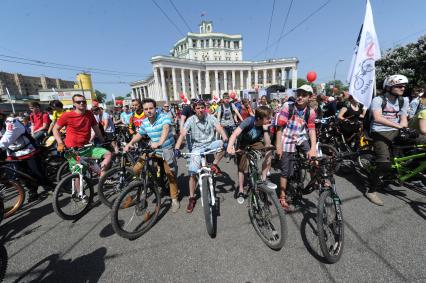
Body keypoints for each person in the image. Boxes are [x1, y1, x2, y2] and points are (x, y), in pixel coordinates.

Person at [124, 98, 180, 212]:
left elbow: (166, 129)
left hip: (165, 149)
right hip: (152, 149)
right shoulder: (145, 122)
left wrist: (160, 142)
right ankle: (144, 185)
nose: (149, 111)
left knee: (171, 176)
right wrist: (130, 144)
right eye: (146, 109)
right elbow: (139, 134)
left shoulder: (164, 117)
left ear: (156, 108)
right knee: (136, 168)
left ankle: (174, 199)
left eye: (151, 108)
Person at [174, 100, 228, 213]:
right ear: (194, 109)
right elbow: (183, 133)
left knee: (225, 145)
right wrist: (177, 148)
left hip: (210, 145)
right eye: (197, 108)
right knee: (192, 173)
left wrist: (225, 139)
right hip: (197, 148)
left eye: (202, 107)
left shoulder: (210, 117)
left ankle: (215, 164)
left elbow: (219, 128)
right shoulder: (191, 120)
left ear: (205, 108)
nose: (200, 110)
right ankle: (192, 198)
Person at [367, 74, 410, 206]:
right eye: (399, 85)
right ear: (389, 87)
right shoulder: (378, 100)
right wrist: (399, 127)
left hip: (395, 129)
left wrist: (405, 128)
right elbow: (378, 118)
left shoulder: (404, 100)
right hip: (379, 131)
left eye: (404, 86)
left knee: (421, 142)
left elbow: (403, 117)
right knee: (384, 163)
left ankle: (398, 174)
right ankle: (371, 190)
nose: (403, 88)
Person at [275, 85, 317, 211]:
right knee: (285, 170)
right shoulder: (288, 107)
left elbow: (311, 130)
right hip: (287, 138)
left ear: (309, 97)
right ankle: (282, 196)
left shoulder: (311, 112)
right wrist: (278, 146)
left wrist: (313, 148)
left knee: (314, 159)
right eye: (298, 94)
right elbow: (279, 127)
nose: (299, 97)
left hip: (300, 137)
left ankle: (315, 182)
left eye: (303, 95)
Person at [52, 94, 112, 177]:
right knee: (77, 175)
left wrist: (103, 139)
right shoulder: (67, 115)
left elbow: (96, 129)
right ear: (74, 103)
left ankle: (102, 178)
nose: (81, 103)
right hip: (73, 151)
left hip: (87, 148)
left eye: (83, 101)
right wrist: (60, 143)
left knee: (108, 154)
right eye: (78, 102)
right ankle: (79, 190)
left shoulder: (89, 114)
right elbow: (55, 129)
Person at [227, 106, 273, 204]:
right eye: (268, 118)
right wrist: (230, 147)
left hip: (255, 143)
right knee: (241, 168)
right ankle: (240, 190)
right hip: (242, 145)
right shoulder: (249, 121)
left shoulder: (265, 124)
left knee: (269, 150)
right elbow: (235, 134)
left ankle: (264, 179)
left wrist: (265, 130)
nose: (270, 119)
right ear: (259, 118)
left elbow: (268, 144)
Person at [0, 116, 51, 202]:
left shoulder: (11, 121)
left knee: (37, 171)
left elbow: (8, 137)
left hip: (28, 150)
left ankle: (49, 187)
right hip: (14, 153)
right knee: (22, 175)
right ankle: (33, 191)